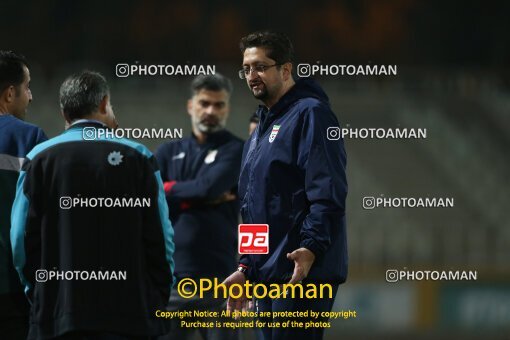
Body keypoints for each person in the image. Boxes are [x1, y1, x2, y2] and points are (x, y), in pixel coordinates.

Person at [10, 70, 175, 340]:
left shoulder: (37, 159)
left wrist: (39, 293)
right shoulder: (139, 157)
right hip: (129, 317)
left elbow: (21, 242)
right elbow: (161, 238)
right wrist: (157, 295)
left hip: (57, 316)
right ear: (103, 103)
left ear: (64, 114)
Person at [223, 31, 348, 340]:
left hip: (299, 273)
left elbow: (327, 189)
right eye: (247, 68)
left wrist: (311, 247)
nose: (252, 75)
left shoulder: (312, 114)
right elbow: (252, 207)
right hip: (267, 276)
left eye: (261, 66)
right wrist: (247, 268)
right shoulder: (258, 132)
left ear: (286, 70)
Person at [155, 73, 243, 340]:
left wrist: (169, 189)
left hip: (220, 281)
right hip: (172, 279)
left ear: (227, 108)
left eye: (219, 105)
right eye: (204, 103)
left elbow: (209, 187)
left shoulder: (237, 150)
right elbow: (150, 195)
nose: (211, 111)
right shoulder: (167, 152)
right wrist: (186, 193)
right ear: (190, 106)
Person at [0, 50, 47, 339]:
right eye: (27, 88)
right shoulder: (29, 138)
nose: (31, 97)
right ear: (9, 93)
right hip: (10, 290)